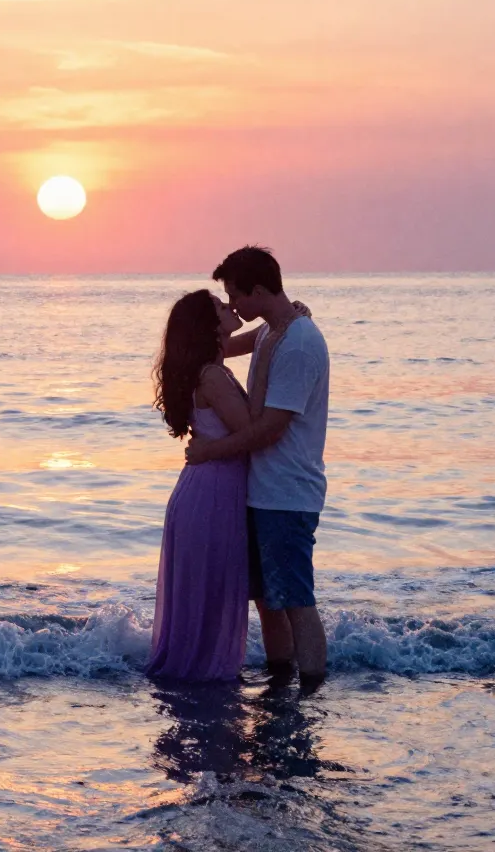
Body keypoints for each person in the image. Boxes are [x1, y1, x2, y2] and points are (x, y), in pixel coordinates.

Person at [186, 245, 331, 684]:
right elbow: (218, 346)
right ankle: (279, 683)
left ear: (260, 290)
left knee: (296, 600)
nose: (232, 305)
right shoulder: (270, 331)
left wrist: (209, 451)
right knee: (268, 600)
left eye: (235, 295)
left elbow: (270, 429)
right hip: (261, 490)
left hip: (287, 493)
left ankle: (312, 691)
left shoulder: (298, 344)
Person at [144, 289, 253, 681]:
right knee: (212, 588)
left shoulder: (208, 367)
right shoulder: (212, 376)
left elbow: (257, 337)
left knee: (206, 589)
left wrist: (288, 317)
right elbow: (252, 432)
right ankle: (204, 673)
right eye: (221, 307)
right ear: (210, 326)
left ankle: (197, 668)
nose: (230, 306)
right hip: (213, 492)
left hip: (204, 488)